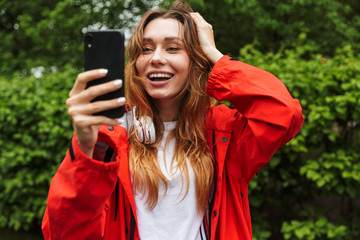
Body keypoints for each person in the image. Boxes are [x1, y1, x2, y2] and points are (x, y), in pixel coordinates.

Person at [41, 1, 304, 240]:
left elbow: (284, 113)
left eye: (173, 48)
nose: (156, 58)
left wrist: (215, 56)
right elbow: (62, 233)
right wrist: (89, 150)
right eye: (145, 49)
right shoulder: (110, 136)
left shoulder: (226, 133)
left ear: (195, 59)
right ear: (136, 63)